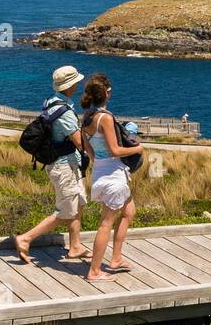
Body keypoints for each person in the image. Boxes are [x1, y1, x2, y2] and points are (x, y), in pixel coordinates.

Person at [8, 65, 88, 264]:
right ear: (70, 85)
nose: (79, 84)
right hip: (64, 165)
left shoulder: (52, 101)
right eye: (76, 81)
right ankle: (25, 238)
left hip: (65, 164)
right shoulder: (65, 112)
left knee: (77, 203)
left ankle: (75, 246)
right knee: (65, 211)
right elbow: (80, 143)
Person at [81, 73, 142, 280]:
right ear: (106, 93)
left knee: (129, 211)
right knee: (105, 223)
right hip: (113, 175)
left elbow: (88, 150)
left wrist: (101, 160)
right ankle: (94, 271)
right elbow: (116, 150)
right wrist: (137, 149)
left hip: (100, 171)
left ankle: (116, 259)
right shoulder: (105, 118)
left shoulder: (87, 117)